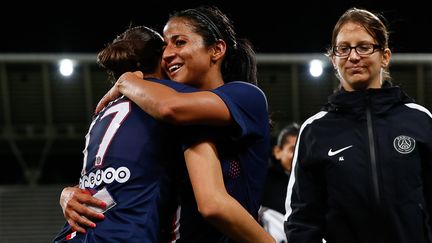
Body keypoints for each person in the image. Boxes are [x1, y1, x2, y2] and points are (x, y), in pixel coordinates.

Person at [59, 5, 273, 243]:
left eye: (179, 42)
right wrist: (71, 193)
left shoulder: (245, 97)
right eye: (164, 46)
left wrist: (126, 81)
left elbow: (171, 107)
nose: (167, 54)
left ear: (216, 49)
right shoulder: (164, 117)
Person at [284, 7, 432, 243]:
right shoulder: (315, 130)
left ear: (385, 56)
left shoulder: (420, 120)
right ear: (334, 59)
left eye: (364, 47)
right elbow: (301, 220)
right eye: (343, 49)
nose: (353, 57)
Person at [259, 122, 299, 243]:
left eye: (302, 150)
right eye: (293, 149)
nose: (298, 155)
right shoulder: (263, 180)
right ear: (277, 152)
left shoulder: (314, 181)